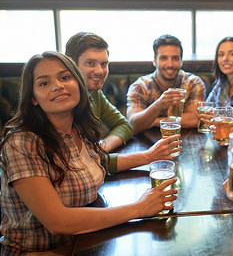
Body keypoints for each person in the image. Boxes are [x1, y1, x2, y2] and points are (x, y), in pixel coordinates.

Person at [0, 52, 177, 255]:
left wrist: (148, 156)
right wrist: (139, 208)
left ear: (78, 83)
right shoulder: (22, 142)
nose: (57, 86)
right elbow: (57, 222)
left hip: (86, 241)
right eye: (43, 83)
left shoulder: (78, 127)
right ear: (33, 98)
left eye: (65, 77)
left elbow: (100, 161)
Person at [65, 32, 181, 173]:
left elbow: (124, 125)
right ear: (70, 63)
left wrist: (101, 147)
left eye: (104, 64)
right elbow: (81, 164)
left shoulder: (94, 93)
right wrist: (148, 156)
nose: (100, 71)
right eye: (90, 63)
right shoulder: (63, 101)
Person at [127, 34, 206, 133]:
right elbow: (133, 124)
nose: (170, 64)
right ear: (155, 61)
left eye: (175, 58)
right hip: (148, 144)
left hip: (187, 142)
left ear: (181, 61)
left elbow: (196, 118)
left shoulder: (193, 82)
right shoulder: (140, 87)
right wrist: (158, 105)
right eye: (164, 58)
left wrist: (154, 121)